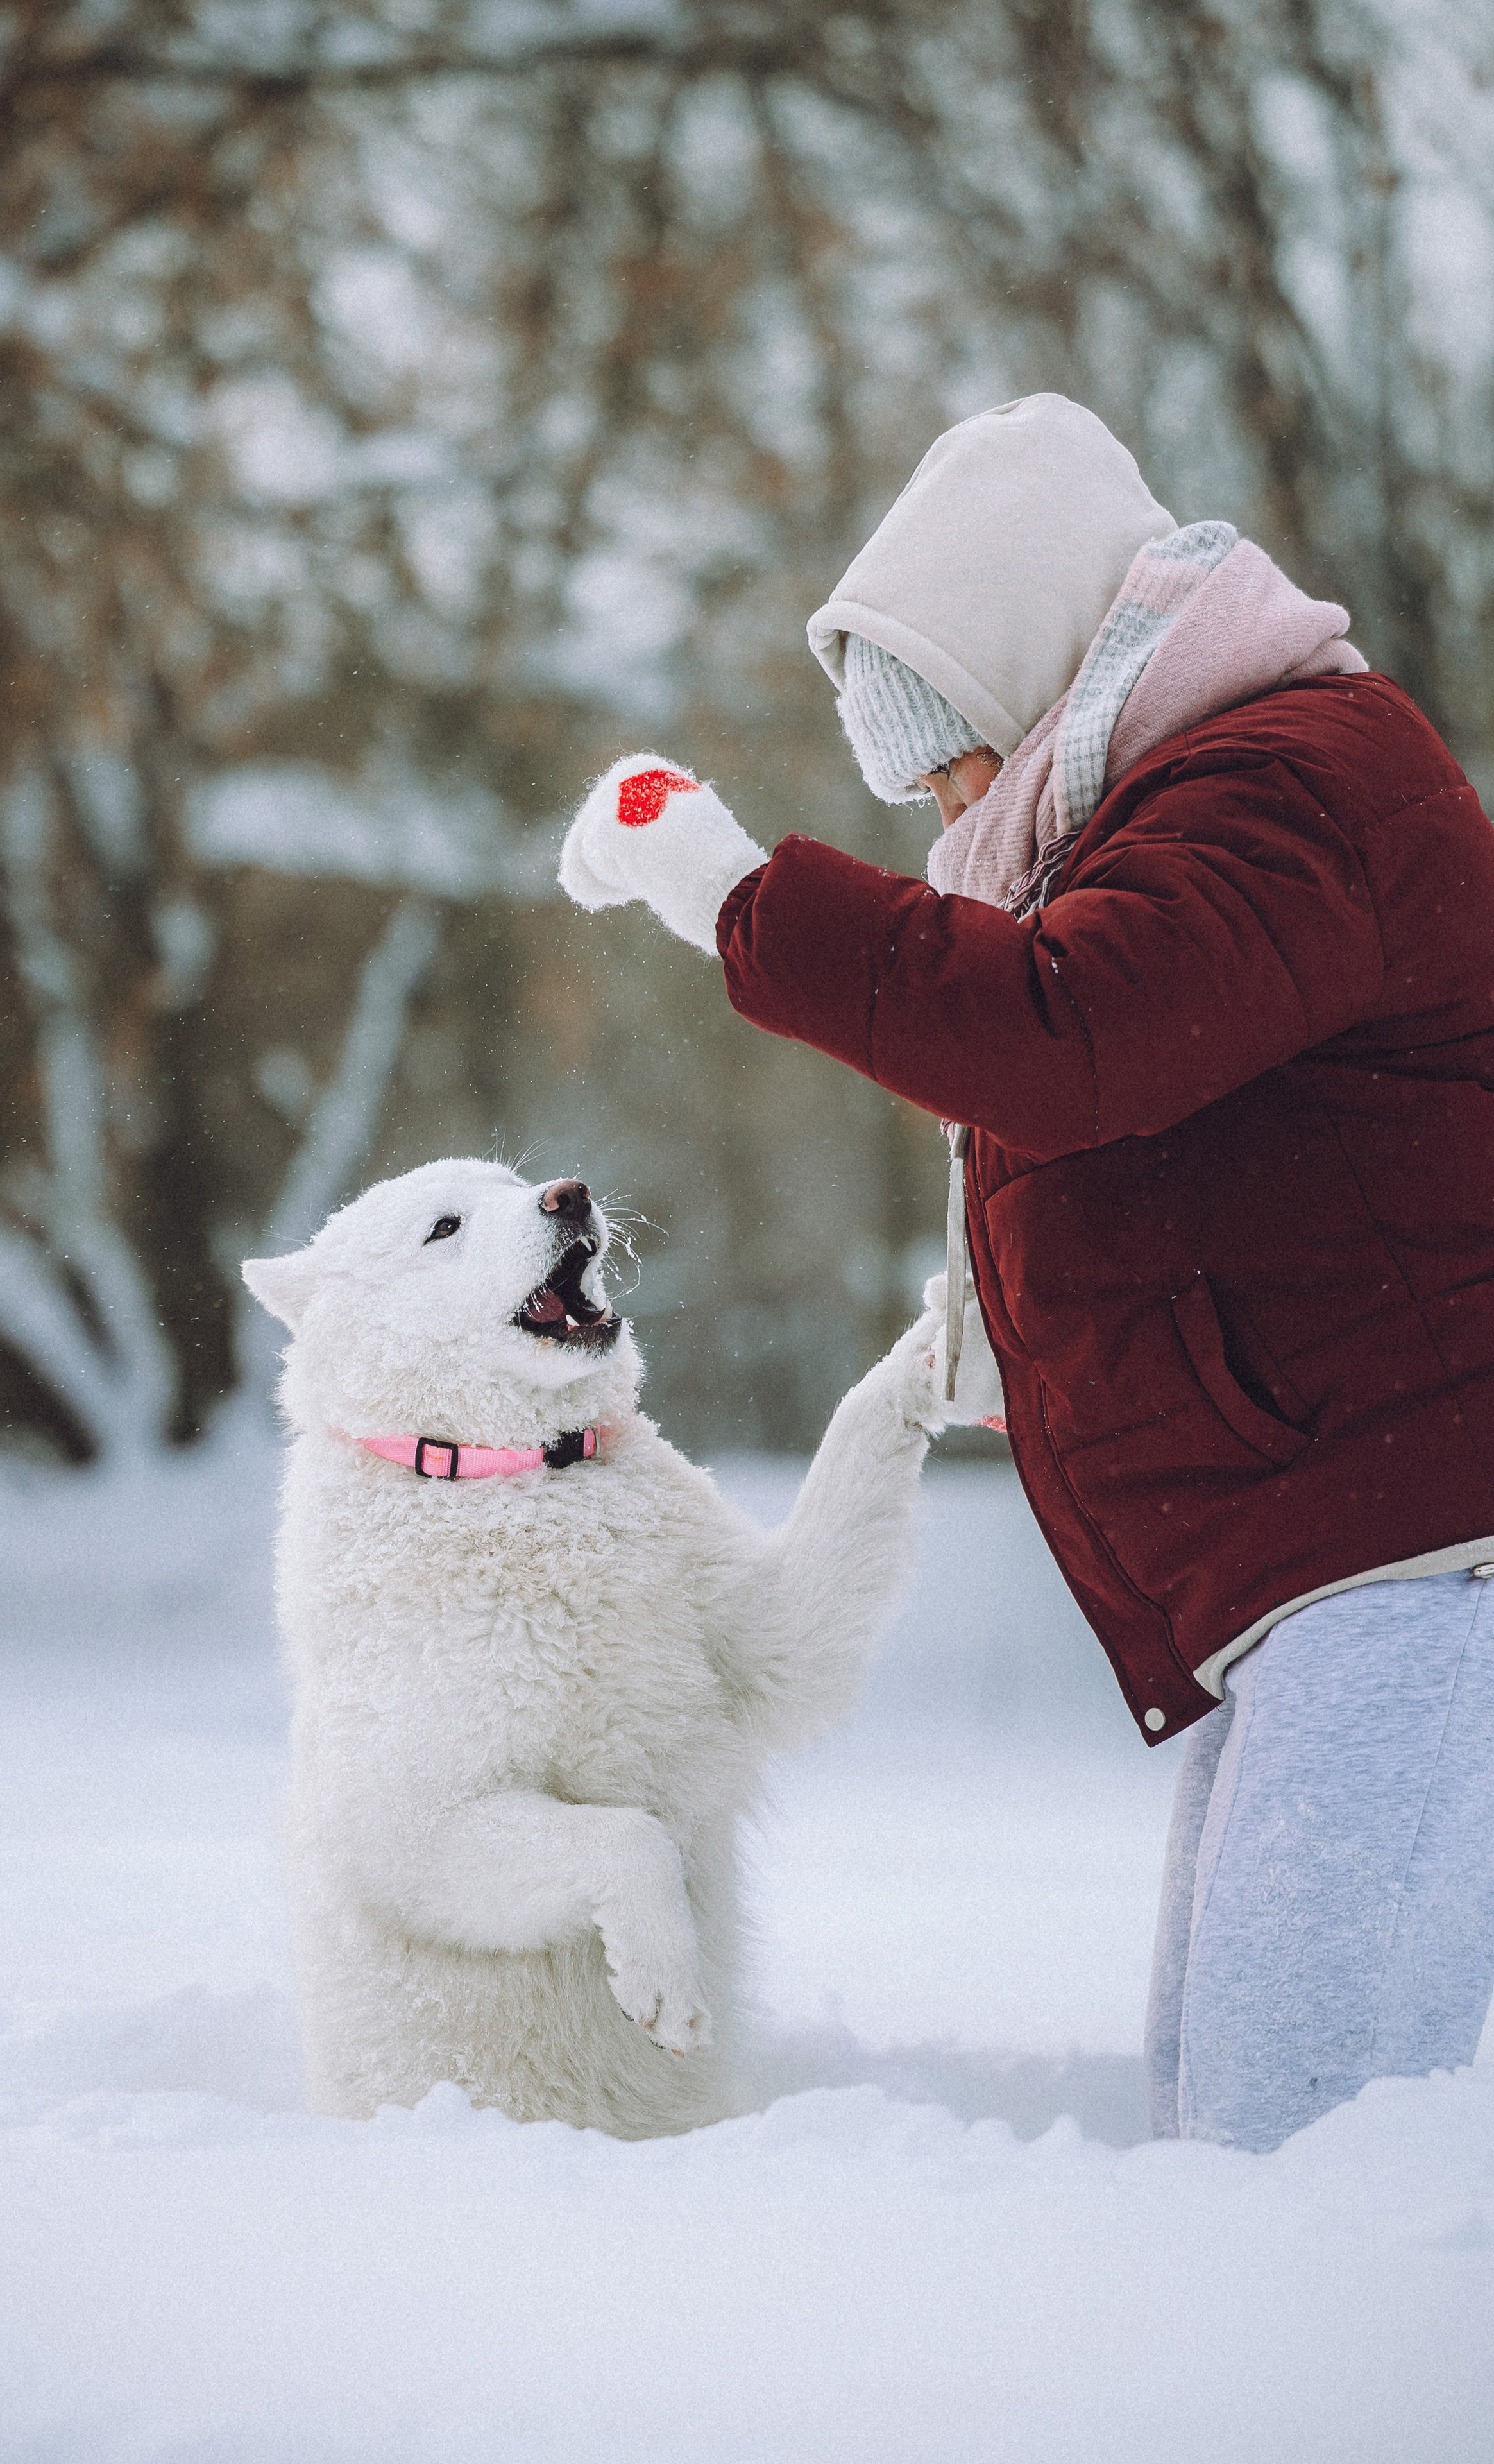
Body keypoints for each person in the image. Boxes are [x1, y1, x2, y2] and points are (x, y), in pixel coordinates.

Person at [557, 392, 1494, 2153]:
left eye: (959, 758)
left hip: (1425, 1562)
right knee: (1235, 2122)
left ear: (1040, 667)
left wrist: (735, 892)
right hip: (1332, 1553)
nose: (952, 808)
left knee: (1304, 2147)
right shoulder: (1202, 800)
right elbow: (1176, 1118)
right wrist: (1019, 1324)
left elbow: (1068, 1037)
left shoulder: (1293, 779)